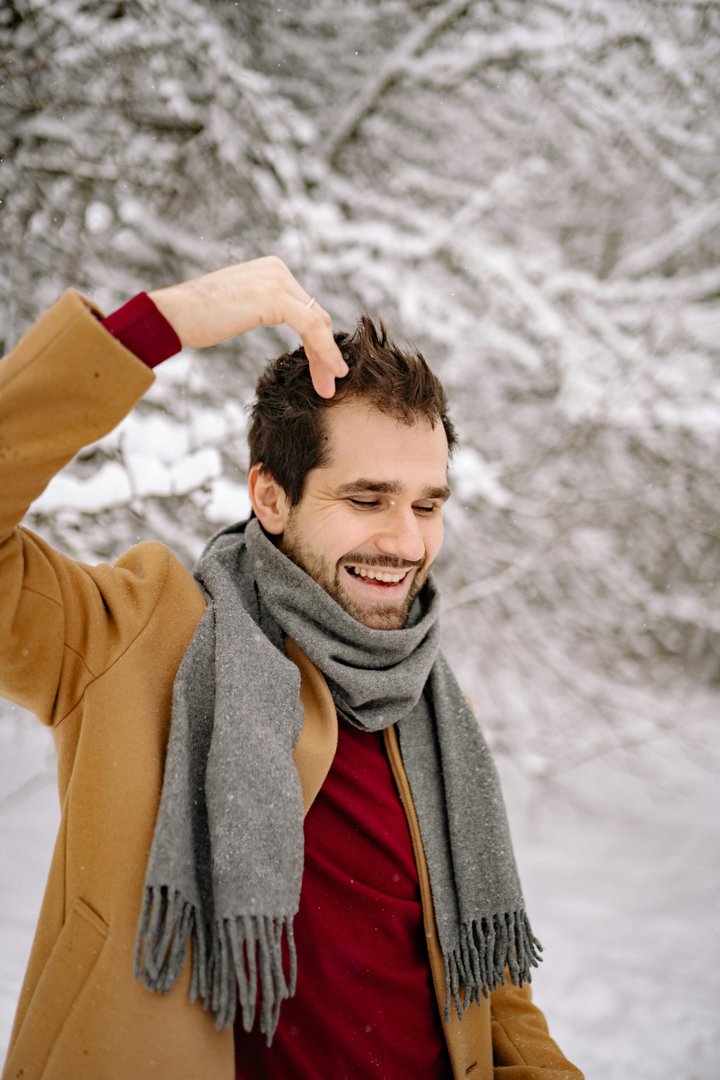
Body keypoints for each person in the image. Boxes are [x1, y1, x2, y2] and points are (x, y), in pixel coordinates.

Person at [0, 257, 583, 1080]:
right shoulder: (142, 640)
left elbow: (491, 997)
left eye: (427, 505)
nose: (407, 543)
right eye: (367, 498)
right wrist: (161, 323)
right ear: (272, 499)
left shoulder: (429, 706)